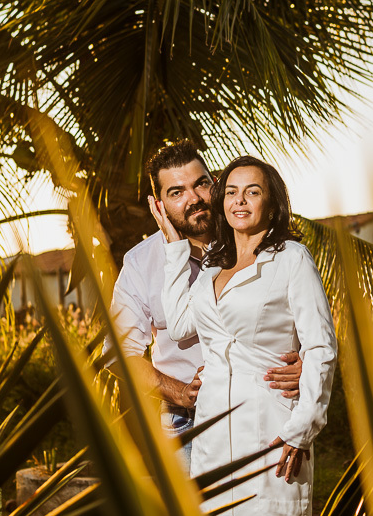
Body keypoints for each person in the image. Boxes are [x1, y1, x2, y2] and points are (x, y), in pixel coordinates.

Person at [151, 155, 337, 516]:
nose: (240, 200)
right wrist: (174, 243)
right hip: (215, 433)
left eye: (252, 191)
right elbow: (178, 325)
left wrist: (302, 428)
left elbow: (320, 347)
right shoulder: (213, 265)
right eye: (231, 191)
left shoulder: (291, 259)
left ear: (271, 202)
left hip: (272, 428)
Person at [106, 141, 303, 471]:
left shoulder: (259, 242)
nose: (194, 198)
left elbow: (307, 327)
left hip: (263, 408)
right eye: (176, 192)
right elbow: (118, 353)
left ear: (216, 184)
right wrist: (181, 393)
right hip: (186, 425)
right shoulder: (141, 263)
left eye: (201, 183)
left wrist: (304, 365)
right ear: (158, 206)